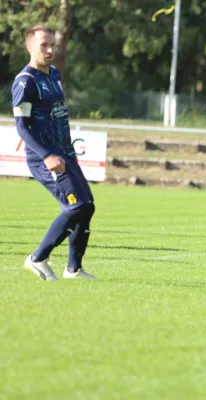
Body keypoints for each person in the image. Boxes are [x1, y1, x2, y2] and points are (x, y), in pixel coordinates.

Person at [12, 25, 97, 281]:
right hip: (46, 159)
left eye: (52, 44)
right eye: (43, 45)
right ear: (29, 47)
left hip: (65, 154)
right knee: (76, 207)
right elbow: (21, 127)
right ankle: (37, 258)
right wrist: (47, 155)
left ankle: (73, 269)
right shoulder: (25, 82)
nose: (50, 50)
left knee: (87, 207)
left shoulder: (54, 74)